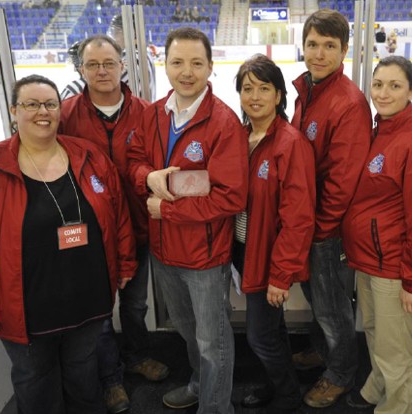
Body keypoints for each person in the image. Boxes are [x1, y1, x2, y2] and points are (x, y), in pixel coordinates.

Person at [0, 74, 137, 414]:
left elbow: (118, 216)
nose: (43, 111)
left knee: (84, 374)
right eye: (31, 104)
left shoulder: (90, 156)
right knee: (35, 381)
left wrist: (125, 263)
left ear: (59, 109)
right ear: (14, 111)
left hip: (88, 301)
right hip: (26, 309)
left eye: (50, 104)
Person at [127, 27, 248, 413]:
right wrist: (147, 176)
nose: (187, 72)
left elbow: (230, 197)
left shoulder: (224, 123)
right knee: (187, 329)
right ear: (165, 65)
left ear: (210, 67)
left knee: (212, 341)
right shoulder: (152, 114)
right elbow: (133, 160)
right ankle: (201, 384)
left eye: (197, 63)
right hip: (164, 252)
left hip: (204, 257)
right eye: (177, 62)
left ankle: (216, 407)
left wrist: (168, 210)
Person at [58, 35, 169, 414]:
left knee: (135, 304)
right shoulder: (66, 114)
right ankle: (110, 378)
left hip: (137, 227)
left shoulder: (147, 113)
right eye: (93, 64)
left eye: (108, 63)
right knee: (99, 311)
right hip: (89, 232)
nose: (102, 71)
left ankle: (137, 355)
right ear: (81, 69)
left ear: (123, 66)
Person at [342, 56, 412, 414]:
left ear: (411, 91)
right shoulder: (377, 131)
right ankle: (377, 387)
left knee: (395, 349)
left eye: (395, 86)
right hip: (368, 259)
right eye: (378, 84)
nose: (383, 93)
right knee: (374, 332)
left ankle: (397, 407)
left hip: (393, 267)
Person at [290, 9, 372, 409]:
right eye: (312, 44)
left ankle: (340, 373)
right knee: (317, 298)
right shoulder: (309, 89)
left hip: (328, 228)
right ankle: (324, 351)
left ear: (344, 50)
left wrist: (319, 229)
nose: (319, 53)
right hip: (308, 222)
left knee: (332, 307)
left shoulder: (348, 103)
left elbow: (342, 180)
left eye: (329, 46)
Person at [233, 54, 316, 413]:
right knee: (271, 328)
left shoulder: (289, 143)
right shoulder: (239, 137)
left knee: (260, 336)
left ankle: (287, 395)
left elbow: (298, 218)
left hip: (268, 257)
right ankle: (277, 385)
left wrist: (280, 275)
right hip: (243, 249)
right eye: (247, 88)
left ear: (279, 95)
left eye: (264, 88)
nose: (255, 97)